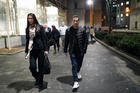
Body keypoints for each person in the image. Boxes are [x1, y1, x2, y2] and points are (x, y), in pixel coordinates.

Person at [25, 13, 48, 90]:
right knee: (32, 67)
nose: (30, 20)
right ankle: (38, 78)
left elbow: (44, 39)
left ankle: (40, 83)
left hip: (40, 49)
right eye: (28, 18)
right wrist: (26, 50)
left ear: (34, 19)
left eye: (31, 18)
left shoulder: (40, 27)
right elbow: (27, 40)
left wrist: (46, 49)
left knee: (41, 67)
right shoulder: (27, 28)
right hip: (32, 50)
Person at [64, 15, 88, 90]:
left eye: (77, 20)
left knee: (79, 64)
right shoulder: (68, 30)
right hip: (72, 51)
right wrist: (65, 50)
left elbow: (86, 41)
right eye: (74, 21)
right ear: (72, 21)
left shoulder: (82, 30)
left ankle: (77, 72)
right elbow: (66, 41)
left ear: (78, 21)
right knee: (74, 65)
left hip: (81, 51)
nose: (75, 22)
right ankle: (75, 81)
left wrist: (84, 50)